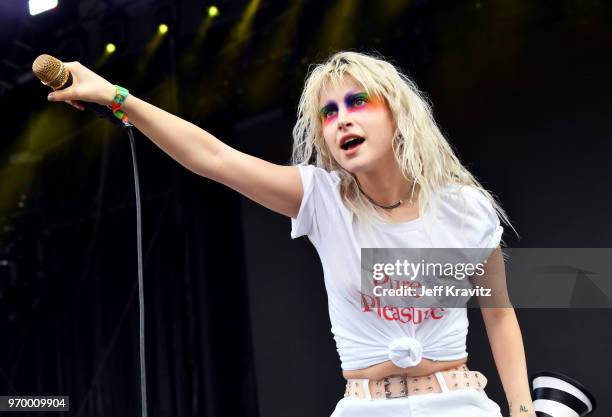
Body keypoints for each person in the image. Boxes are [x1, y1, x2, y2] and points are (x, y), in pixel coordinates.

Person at [47, 51, 535, 417]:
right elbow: (215, 158)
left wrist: (523, 411)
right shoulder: (323, 198)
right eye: (329, 112)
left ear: (397, 115)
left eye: (358, 101)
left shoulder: (463, 209)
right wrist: (117, 96)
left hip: (457, 402)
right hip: (365, 407)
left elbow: (498, 315)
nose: (342, 117)